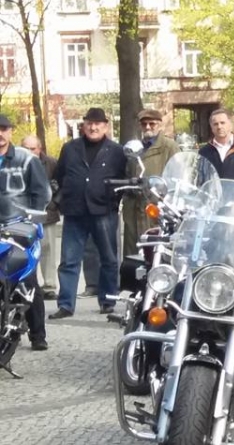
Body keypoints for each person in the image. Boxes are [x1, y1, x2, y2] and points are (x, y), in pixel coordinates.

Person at [50, 108, 126, 319]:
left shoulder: (116, 151)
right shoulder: (70, 148)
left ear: (106, 126)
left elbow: (123, 179)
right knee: (69, 260)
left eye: (98, 124)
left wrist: (113, 201)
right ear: (83, 125)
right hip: (75, 211)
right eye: (89, 123)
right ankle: (66, 305)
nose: (93, 127)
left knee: (108, 258)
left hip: (104, 210)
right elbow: (60, 175)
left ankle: (108, 301)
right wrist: (64, 196)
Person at [0, 117, 51, 350]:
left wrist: (32, 220)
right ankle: (7, 329)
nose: (0, 134)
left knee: (26, 279)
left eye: (3, 129)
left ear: (10, 132)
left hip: (20, 227)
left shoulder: (26, 159)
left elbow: (42, 192)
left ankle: (38, 335)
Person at [123, 109, 179, 256]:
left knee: (157, 254)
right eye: (144, 124)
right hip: (135, 211)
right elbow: (128, 174)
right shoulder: (135, 148)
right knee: (134, 255)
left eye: (152, 124)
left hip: (157, 209)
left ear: (160, 125)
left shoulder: (169, 147)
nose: (147, 127)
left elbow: (178, 177)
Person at [22, 135, 59, 300]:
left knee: (47, 249)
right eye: (26, 148)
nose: (30, 152)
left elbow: (61, 183)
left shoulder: (51, 163)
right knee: (25, 250)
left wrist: (55, 203)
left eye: (33, 149)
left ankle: (49, 285)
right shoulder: (16, 161)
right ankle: (27, 284)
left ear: (40, 149)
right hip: (23, 213)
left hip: (47, 213)